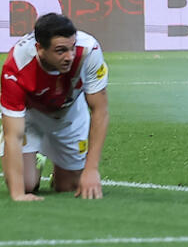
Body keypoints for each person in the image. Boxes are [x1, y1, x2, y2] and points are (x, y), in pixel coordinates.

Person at [1, 13, 108, 200]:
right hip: (30, 116)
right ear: (40, 49)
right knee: (26, 184)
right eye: (60, 51)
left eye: (72, 48)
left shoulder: (89, 51)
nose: (69, 57)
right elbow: (13, 135)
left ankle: (60, 171)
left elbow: (100, 111)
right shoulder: (16, 66)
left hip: (69, 113)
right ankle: (36, 158)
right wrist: (18, 194)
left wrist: (91, 169)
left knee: (69, 186)